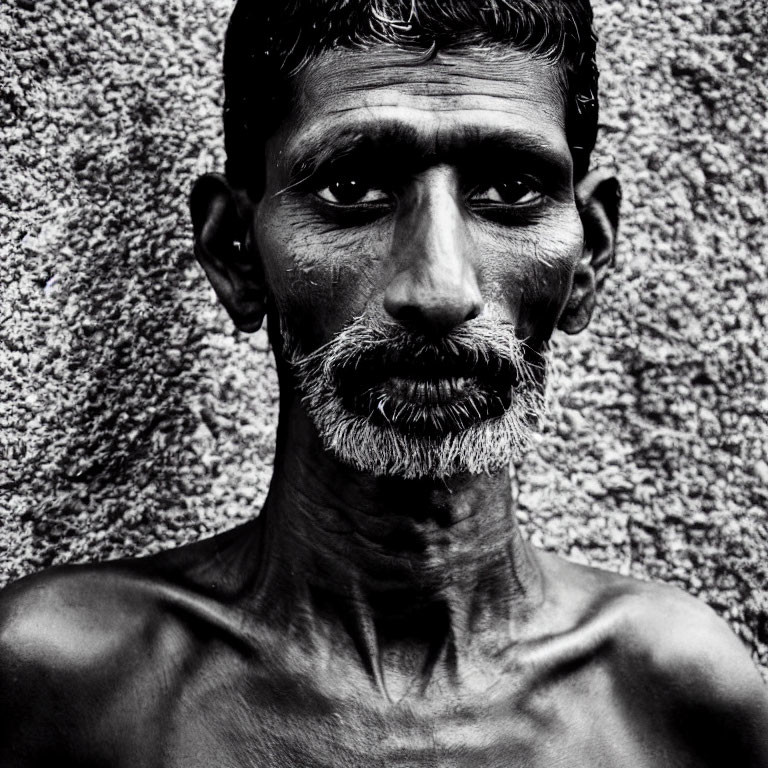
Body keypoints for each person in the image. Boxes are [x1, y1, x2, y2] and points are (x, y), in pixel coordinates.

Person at [1, 0, 766, 764]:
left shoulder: (673, 693)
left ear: (589, 257)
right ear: (236, 252)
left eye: (509, 191)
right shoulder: (67, 681)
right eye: (352, 186)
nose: (438, 291)